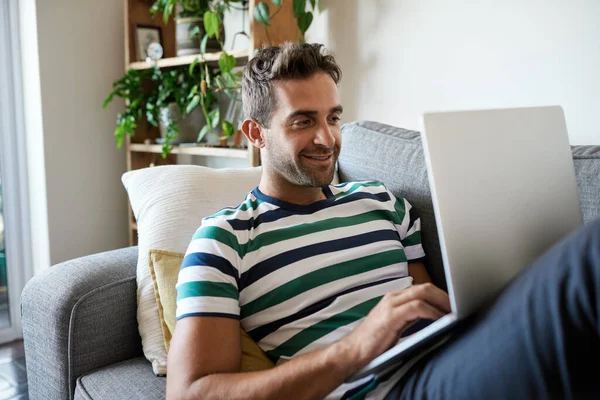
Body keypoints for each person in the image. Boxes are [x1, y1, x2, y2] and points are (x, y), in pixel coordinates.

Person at [166, 42, 600, 400]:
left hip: (452, 361)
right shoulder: (225, 241)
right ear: (256, 133)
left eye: (333, 117)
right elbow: (192, 393)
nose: (328, 138)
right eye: (303, 121)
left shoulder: (381, 201)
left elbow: (428, 307)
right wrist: (353, 349)